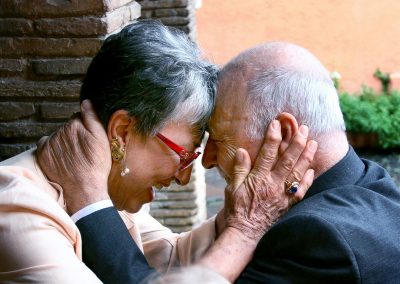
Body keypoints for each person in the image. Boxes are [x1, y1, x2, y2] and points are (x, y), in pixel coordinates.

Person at [0, 20, 316, 283]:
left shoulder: (111, 183)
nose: (184, 177)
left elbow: (172, 256)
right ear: (123, 132)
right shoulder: (17, 206)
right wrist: (246, 230)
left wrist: (244, 210)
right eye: (184, 155)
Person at [201, 42, 400, 283]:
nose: (207, 160)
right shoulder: (373, 182)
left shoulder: (315, 238)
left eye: (219, 139)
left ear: (283, 134)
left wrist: (244, 230)